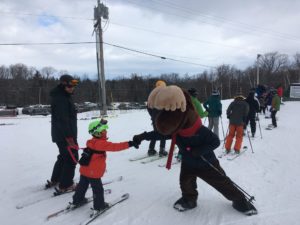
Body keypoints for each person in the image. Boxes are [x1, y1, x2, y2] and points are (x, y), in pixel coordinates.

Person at [133, 85, 257, 215]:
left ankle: (239, 200)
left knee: (221, 182)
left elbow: (214, 141)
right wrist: (142, 137)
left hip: (206, 163)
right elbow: (160, 134)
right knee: (186, 183)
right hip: (188, 163)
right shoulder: (177, 130)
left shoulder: (200, 130)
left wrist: (199, 150)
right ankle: (189, 199)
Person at [70, 119, 138, 215]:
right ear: (97, 133)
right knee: (98, 189)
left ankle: (77, 200)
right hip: (93, 173)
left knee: (82, 185)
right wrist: (130, 144)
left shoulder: (91, 141)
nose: (106, 132)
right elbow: (116, 147)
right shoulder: (101, 144)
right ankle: (99, 206)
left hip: (84, 170)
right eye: (104, 131)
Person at [46, 74, 79, 192]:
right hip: (65, 135)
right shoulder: (61, 98)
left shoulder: (64, 96)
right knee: (71, 158)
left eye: (73, 85)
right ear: (63, 85)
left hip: (61, 134)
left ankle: (57, 178)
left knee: (64, 157)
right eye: (70, 85)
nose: (72, 88)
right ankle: (66, 184)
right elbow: (62, 119)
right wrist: (70, 138)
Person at [147, 80, 168, 157]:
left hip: (154, 118)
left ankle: (151, 149)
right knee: (163, 134)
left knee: (155, 133)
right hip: (162, 119)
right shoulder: (164, 95)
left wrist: (153, 116)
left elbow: (148, 107)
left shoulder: (152, 95)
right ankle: (162, 150)